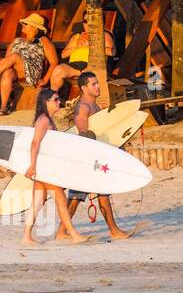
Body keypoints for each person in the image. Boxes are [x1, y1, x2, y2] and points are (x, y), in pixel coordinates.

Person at [56, 71, 134, 240]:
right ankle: (112, 230)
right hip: (86, 159)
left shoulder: (95, 107)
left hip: (93, 159)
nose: (98, 86)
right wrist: (92, 160)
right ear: (84, 88)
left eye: (98, 83)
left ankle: (63, 231)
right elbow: (84, 135)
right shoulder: (83, 108)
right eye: (94, 84)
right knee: (83, 194)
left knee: (82, 195)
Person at [23, 87, 90, 247]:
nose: (59, 102)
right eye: (55, 99)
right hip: (44, 169)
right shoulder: (44, 120)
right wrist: (32, 166)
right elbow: (35, 143)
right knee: (60, 199)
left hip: (44, 167)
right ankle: (73, 234)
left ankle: (26, 236)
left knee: (37, 202)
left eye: (58, 99)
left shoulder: (48, 119)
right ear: (46, 102)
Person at [0, 12, 59, 116]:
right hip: (16, 72)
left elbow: (54, 62)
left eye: (26, 24)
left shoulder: (43, 40)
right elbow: (7, 59)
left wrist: (45, 79)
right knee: (7, 72)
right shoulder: (16, 40)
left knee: (15, 56)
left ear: (35, 28)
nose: (23, 26)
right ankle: (3, 107)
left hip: (32, 72)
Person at [47, 22, 115, 93]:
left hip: (93, 65)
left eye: (90, 20)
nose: (88, 24)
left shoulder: (104, 35)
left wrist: (91, 46)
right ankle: (54, 98)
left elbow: (112, 52)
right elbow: (63, 54)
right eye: (85, 21)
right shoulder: (77, 36)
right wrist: (76, 46)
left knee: (87, 75)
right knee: (58, 70)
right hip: (75, 66)